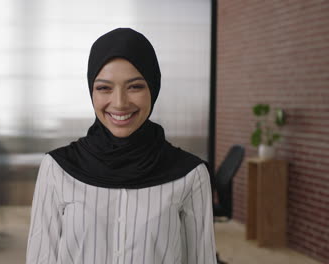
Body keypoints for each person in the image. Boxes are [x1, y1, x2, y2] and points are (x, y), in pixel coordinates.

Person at [26, 28, 217, 264]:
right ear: (91, 91)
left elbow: (201, 259)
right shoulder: (57, 169)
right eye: (104, 88)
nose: (119, 103)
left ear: (153, 88)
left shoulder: (191, 175)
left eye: (135, 86)